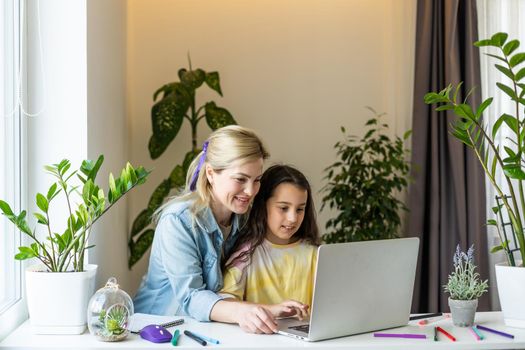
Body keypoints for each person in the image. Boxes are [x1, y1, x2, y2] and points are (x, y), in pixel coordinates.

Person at [133, 126, 303, 334]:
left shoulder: (244, 218)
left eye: (256, 180)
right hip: (157, 330)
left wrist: (269, 310)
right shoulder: (177, 221)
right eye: (240, 179)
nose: (250, 191)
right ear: (211, 173)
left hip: (203, 330)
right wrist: (243, 312)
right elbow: (192, 297)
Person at [220, 164, 320, 320]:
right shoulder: (246, 254)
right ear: (262, 205)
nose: (293, 218)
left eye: (300, 209)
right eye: (284, 208)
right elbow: (224, 302)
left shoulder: (315, 254)